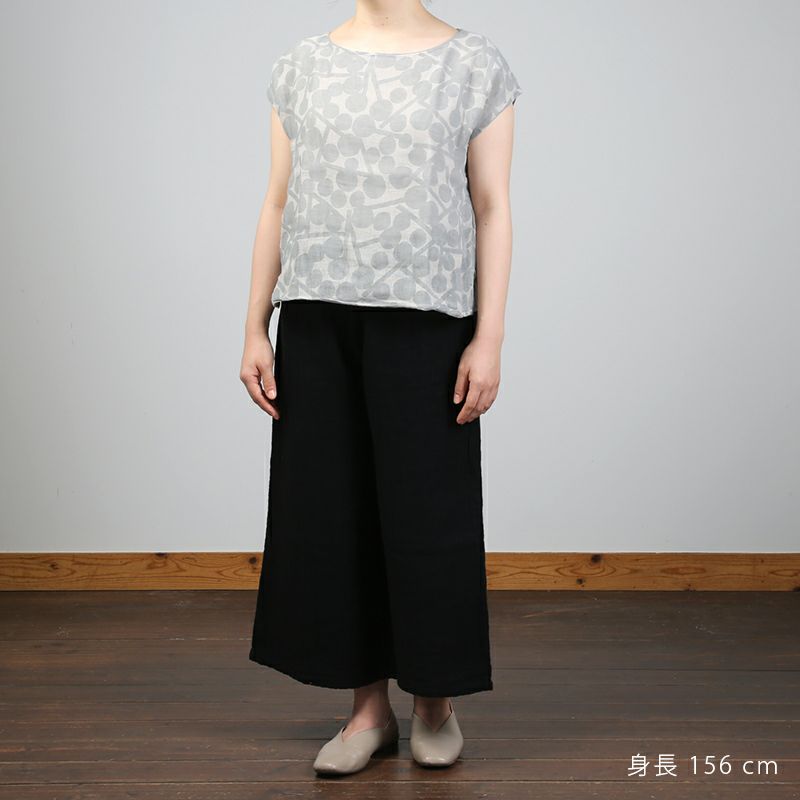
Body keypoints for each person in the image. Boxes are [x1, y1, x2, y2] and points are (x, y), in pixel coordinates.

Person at [240, 1, 521, 776]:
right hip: (317, 315)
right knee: (333, 511)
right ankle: (367, 711)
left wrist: (489, 337)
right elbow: (277, 200)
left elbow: (492, 208)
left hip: (427, 319)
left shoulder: (473, 66)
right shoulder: (302, 65)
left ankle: (434, 701)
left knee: (428, 513)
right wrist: (255, 324)